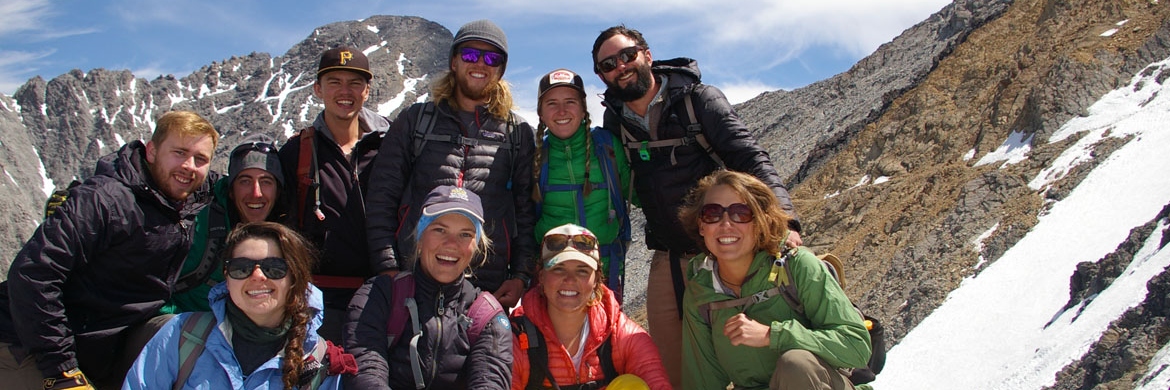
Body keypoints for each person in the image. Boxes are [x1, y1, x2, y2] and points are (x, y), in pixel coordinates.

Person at [591, 25, 804, 387]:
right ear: (602, 75)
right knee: (674, 369)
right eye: (608, 64)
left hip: (725, 252)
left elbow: (749, 157)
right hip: (669, 257)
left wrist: (787, 221)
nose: (620, 67)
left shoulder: (697, 100)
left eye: (627, 55)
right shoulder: (615, 122)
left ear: (647, 55)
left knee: (749, 355)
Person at [0, 110, 218, 389]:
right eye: (179, 152)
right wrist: (62, 369)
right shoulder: (105, 199)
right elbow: (33, 273)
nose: (189, 165)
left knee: (191, 329)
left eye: (200, 159)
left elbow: (238, 187)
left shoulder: (182, 198)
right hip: (28, 345)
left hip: (100, 348)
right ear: (151, 151)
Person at [366, 19, 537, 309]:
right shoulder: (416, 121)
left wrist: (520, 275)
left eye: (492, 58)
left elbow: (525, 211)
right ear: (454, 61)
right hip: (412, 278)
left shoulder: (517, 133)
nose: (480, 63)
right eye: (470, 54)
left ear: (501, 70)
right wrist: (387, 266)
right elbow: (382, 196)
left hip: (488, 286)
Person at [678, 171, 870, 390]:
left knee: (797, 365)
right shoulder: (700, 294)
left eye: (741, 213)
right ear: (701, 226)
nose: (726, 224)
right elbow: (703, 381)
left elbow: (856, 347)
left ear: (762, 221)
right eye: (712, 214)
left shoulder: (797, 266)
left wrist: (772, 335)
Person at [123, 221, 353, 389]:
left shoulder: (318, 361)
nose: (257, 276)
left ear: (294, 277)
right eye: (241, 268)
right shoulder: (182, 335)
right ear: (226, 276)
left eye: (273, 267)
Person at [346, 185, 512, 389]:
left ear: (476, 246)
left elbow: (491, 382)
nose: (451, 244)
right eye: (439, 230)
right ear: (419, 237)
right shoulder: (377, 295)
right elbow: (365, 371)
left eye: (465, 234)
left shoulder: (487, 315)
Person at [279, 46, 390, 343]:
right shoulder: (296, 153)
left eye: (355, 83)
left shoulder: (390, 147)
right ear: (318, 89)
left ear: (367, 91)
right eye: (334, 82)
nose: (345, 91)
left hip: (383, 296)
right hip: (318, 302)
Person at [510, 224, 669, 390]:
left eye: (582, 271)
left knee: (631, 385)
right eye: (558, 269)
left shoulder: (623, 335)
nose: (570, 280)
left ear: (597, 280)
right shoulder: (515, 336)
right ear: (541, 276)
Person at [531, 69, 633, 303]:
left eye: (570, 102)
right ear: (541, 112)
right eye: (552, 103)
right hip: (552, 277)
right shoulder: (533, 156)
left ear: (583, 107)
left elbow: (638, 194)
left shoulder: (607, 148)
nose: (562, 111)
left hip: (605, 272)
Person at [161, 133, 288, 315]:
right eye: (245, 181)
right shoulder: (199, 227)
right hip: (188, 329)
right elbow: (154, 292)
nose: (256, 193)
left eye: (266, 181)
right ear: (231, 190)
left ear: (278, 191)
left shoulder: (287, 231)